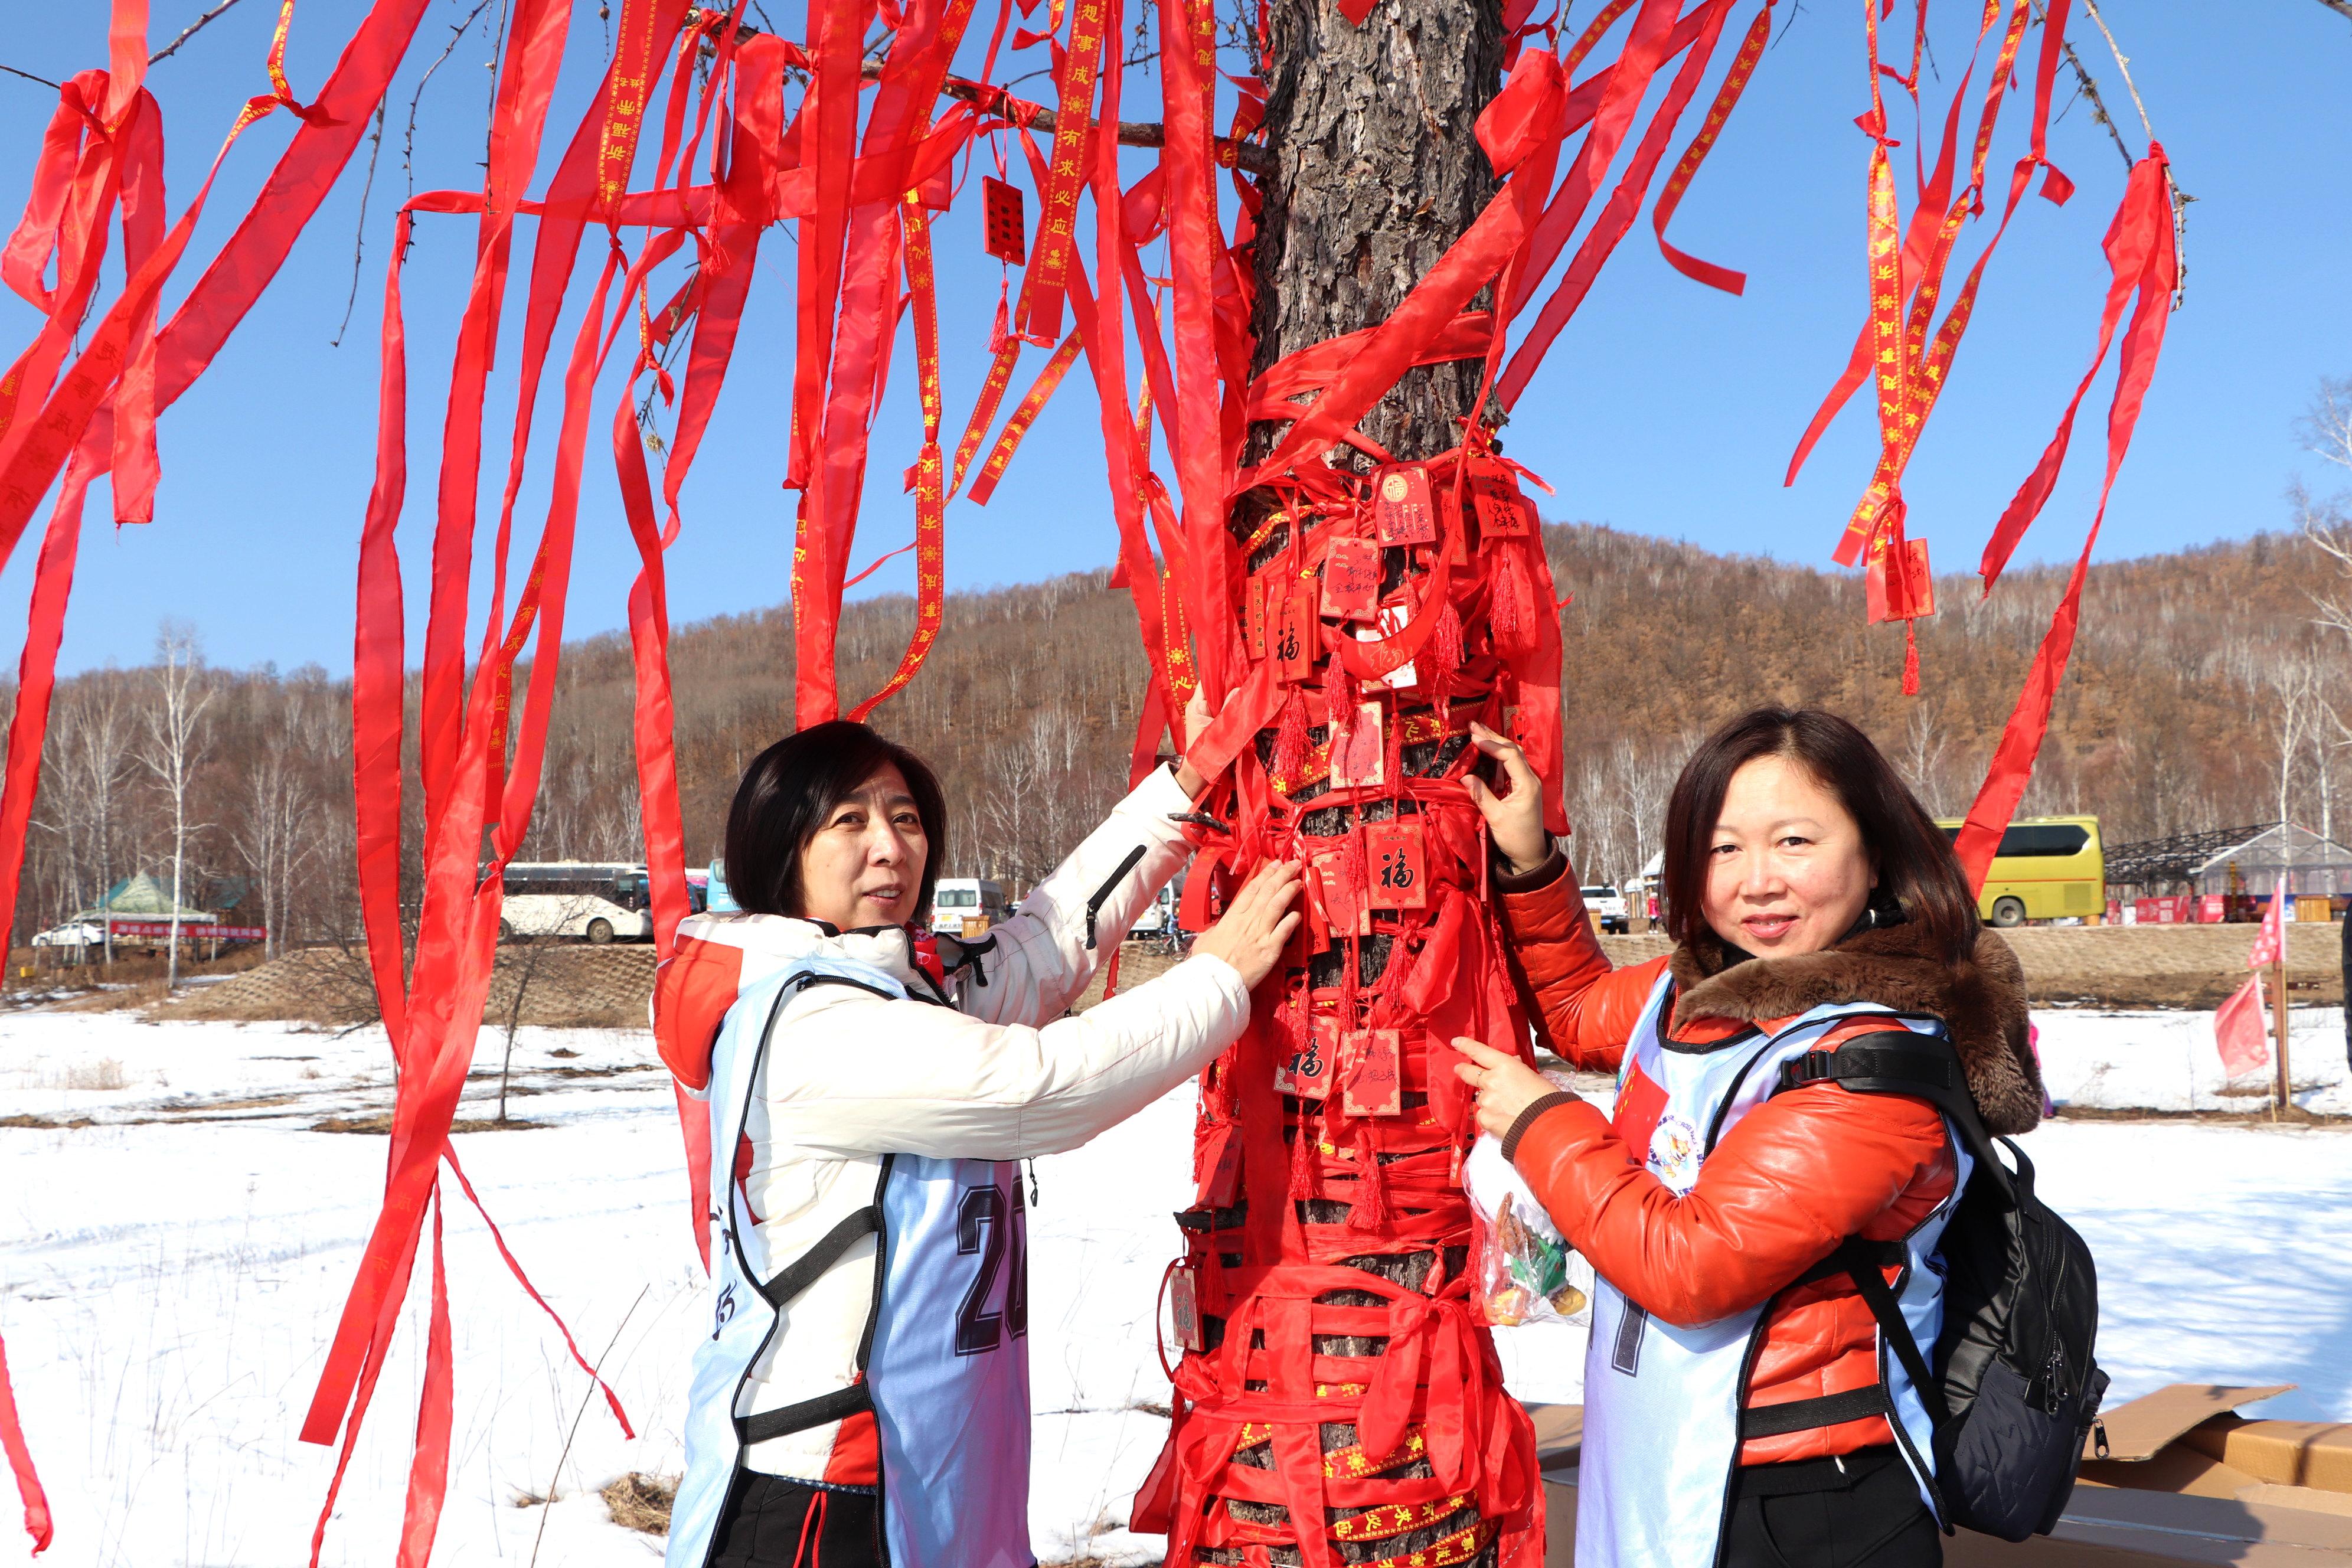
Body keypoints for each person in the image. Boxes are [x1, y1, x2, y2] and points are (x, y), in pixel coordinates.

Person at [654, 718, 1301, 1568]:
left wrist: (1176, 797)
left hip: (923, 1480)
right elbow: (1043, 1086)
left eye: (907, 818)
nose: (890, 847)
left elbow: (1045, 943)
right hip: (819, 1497)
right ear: (780, 850)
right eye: (849, 822)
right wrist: (1217, 979)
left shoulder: (896, 985)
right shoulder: (810, 1021)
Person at [1451, 710, 2047, 1568]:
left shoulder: (1875, 1065)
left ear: (1873, 853)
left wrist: (1539, 1123)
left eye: (1795, 842)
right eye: (1723, 849)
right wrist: (1532, 862)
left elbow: (1695, 1268)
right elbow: (1582, 1013)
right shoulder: (1702, 987)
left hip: (1808, 1500)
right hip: (1671, 1457)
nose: (1756, 881)